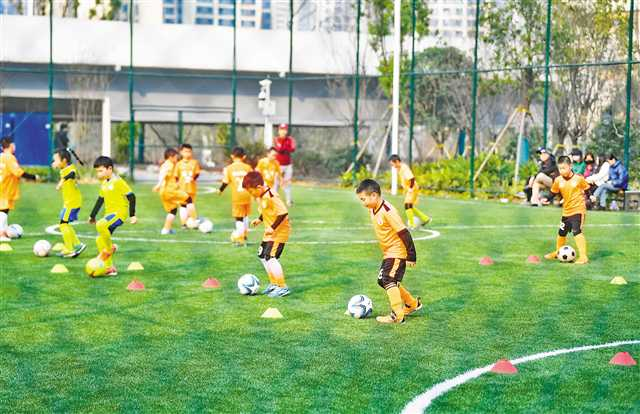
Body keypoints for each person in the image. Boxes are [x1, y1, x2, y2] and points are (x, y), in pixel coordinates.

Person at [356, 179, 422, 324]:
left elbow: (404, 232)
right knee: (382, 280)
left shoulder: (388, 211)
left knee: (388, 279)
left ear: (374, 195)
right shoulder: (372, 208)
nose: (363, 203)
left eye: (363, 199)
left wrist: (411, 255)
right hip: (388, 252)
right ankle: (412, 303)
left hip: (397, 251)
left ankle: (397, 315)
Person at [243, 171, 291, 297]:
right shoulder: (262, 196)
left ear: (258, 187)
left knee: (271, 257)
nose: (251, 194)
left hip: (279, 231)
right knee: (262, 256)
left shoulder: (271, 195)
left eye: (251, 191)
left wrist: (273, 227)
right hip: (270, 232)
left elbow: (283, 213)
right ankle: (274, 284)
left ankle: (282, 287)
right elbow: (266, 210)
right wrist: (259, 219)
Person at [89, 156, 137, 277]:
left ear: (109, 169)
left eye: (100, 171)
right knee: (99, 240)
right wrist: (92, 215)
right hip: (109, 215)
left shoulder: (118, 182)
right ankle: (110, 268)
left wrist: (132, 215)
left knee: (101, 225)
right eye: (97, 171)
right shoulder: (104, 183)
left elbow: (132, 196)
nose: (98, 174)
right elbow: (100, 199)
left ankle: (110, 248)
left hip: (119, 214)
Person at [544, 156, 590, 264]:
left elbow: (587, 188)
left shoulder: (578, 178)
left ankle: (583, 257)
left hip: (578, 210)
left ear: (570, 166)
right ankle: (557, 252)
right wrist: (547, 199)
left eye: (564, 168)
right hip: (566, 211)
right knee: (561, 233)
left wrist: (591, 196)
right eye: (560, 168)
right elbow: (553, 192)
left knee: (577, 231)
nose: (561, 171)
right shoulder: (558, 180)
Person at [0, 137, 38, 242]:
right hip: (6, 188)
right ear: (10, 145)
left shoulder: (1, 157)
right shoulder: (9, 157)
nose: (15, 146)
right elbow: (18, 172)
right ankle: (1, 235)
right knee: (3, 211)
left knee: (3, 211)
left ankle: (4, 232)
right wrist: (33, 177)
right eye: (13, 144)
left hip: (2, 187)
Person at [51, 148, 86, 258]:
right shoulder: (65, 168)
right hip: (70, 202)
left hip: (72, 203)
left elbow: (71, 174)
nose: (54, 163)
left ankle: (70, 249)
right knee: (65, 224)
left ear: (64, 160)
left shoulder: (70, 169)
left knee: (63, 224)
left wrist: (62, 181)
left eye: (56, 160)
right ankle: (77, 244)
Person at [153, 148, 196, 235]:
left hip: (163, 192)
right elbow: (163, 174)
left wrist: (159, 185)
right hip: (170, 190)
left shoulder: (166, 164)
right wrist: (159, 184)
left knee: (172, 210)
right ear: (170, 157)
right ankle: (194, 220)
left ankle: (166, 229)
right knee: (189, 199)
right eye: (176, 157)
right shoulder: (169, 165)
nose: (177, 159)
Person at [219, 146, 253, 245]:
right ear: (244, 157)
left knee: (239, 218)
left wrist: (220, 190)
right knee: (246, 215)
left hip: (237, 197)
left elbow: (225, 182)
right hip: (247, 196)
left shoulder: (229, 168)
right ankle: (245, 235)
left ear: (232, 156)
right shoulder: (247, 167)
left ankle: (240, 238)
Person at [388, 154, 431, 228]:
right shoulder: (399, 168)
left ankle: (412, 225)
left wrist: (411, 189)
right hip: (409, 189)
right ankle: (425, 219)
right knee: (409, 206)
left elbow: (412, 178)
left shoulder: (404, 168)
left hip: (413, 188)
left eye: (393, 164)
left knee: (407, 205)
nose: (393, 166)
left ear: (397, 161)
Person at [176, 144, 202, 228]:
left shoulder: (195, 162)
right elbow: (176, 176)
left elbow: (197, 173)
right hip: (182, 188)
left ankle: (190, 221)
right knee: (184, 205)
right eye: (185, 151)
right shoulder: (178, 164)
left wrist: (193, 178)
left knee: (190, 204)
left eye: (189, 152)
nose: (188, 153)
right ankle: (186, 223)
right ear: (181, 152)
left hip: (191, 188)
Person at [274, 124, 296, 206]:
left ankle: (288, 200)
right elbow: (279, 149)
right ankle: (274, 200)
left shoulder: (290, 139)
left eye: (285, 129)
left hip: (288, 165)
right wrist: (286, 147)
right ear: (279, 130)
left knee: (287, 183)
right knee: (275, 183)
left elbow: (292, 148)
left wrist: (285, 147)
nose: (283, 131)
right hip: (278, 165)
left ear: (287, 131)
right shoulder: (276, 139)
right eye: (281, 129)